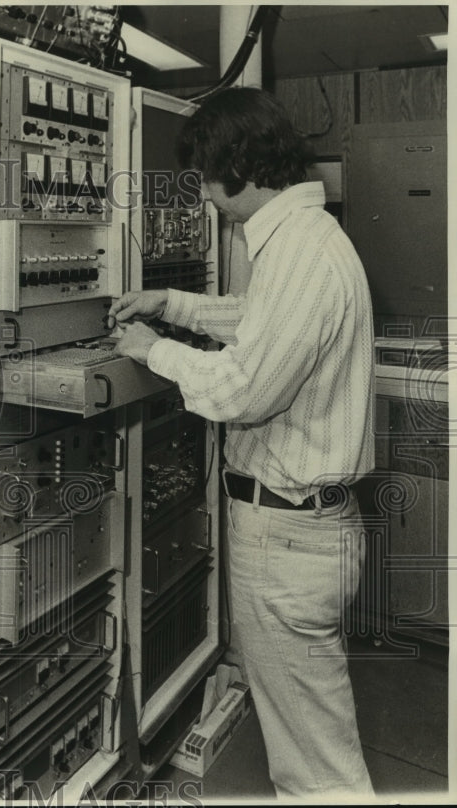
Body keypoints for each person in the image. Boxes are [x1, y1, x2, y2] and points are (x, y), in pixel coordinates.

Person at [110, 87, 375, 798]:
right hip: (306, 530)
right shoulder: (307, 241)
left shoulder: (299, 254)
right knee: (310, 738)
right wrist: (172, 306)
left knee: (316, 770)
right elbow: (262, 323)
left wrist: (151, 349)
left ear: (238, 171)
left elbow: (241, 391)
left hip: (287, 537)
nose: (204, 199)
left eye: (204, 180)